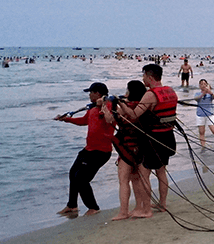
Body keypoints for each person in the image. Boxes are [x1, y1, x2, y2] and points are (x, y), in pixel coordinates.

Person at [116, 64, 178, 215]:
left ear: (150, 77)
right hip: (168, 136)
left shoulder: (150, 95)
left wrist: (121, 104)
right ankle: (162, 204)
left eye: (143, 76)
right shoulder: (171, 91)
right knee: (161, 171)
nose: (143, 79)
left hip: (153, 139)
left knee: (144, 174)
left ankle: (146, 210)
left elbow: (133, 115)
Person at [55, 82, 115, 216]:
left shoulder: (109, 106)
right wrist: (66, 120)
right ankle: (72, 205)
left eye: (91, 92)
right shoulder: (92, 109)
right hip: (89, 149)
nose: (89, 95)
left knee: (81, 178)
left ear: (97, 94)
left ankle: (93, 207)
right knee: (73, 173)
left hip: (101, 151)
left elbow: (110, 120)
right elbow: (83, 121)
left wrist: (103, 104)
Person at [102, 80, 151, 221]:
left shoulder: (122, 107)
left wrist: (106, 111)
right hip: (143, 145)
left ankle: (124, 211)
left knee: (124, 180)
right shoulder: (143, 106)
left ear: (129, 91)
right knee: (140, 179)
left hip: (127, 147)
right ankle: (141, 207)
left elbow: (110, 120)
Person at [195, 79, 214, 147]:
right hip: (200, 115)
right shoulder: (198, 94)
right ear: (199, 86)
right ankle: (203, 146)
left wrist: (210, 92)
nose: (203, 85)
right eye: (201, 84)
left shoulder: (210, 94)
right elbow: (197, 99)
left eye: (204, 84)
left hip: (209, 114)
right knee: (201, 132)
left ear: (207, 85)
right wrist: (203, 93)